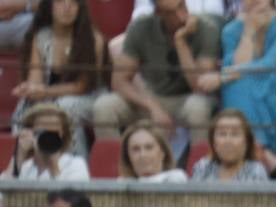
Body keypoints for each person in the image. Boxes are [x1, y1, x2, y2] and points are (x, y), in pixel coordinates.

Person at [92, 0, 220, 144]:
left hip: (186, 99)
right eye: (172, 13)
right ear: (158, 13)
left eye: (182, 6)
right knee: (104, 107)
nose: (181, 16)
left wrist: (181, 42)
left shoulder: (207, 28)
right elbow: (119, 81)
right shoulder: (141, 27)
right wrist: (152, 106)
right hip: (151, 96)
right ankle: (114, 163)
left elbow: (199, 87)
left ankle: (200, 163)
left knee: (198, 107)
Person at [11, 0, 107, 155]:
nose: (67, 7)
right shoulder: (40, 37)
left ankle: (78, 167)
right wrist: (29, 89)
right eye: (60, 2)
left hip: (89, 97)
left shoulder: (94, 39)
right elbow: (35, 80)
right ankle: (21, 165)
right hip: (52, 95)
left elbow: (82, 86)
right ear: (49, 6)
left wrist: (45, 92)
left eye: (73, 3)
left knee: (65, 108)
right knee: (24, 108)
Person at [219, 0, 276, 164]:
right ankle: (260, 152)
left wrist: (223, 77)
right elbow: (234, 70)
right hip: (250, 98)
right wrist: (248, 33)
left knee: (240, 84)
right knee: (238, 86)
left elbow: (270, 67)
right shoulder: (232, 31)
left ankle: (254, 150)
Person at [2, 103, 91, 180]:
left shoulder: (75, 164)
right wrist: (18, 157)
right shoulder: (24, 167)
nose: (47, 138)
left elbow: (72, 198)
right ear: (30, 132)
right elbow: (1, 196)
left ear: (63, 135)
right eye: (42, 132)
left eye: (53, 133)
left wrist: (54, 169)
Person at [190, 108, 271, 181]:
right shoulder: (203, 168)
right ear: (213, 142)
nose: (228, 141)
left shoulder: (256, 172)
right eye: (222, 134)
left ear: (247, 142)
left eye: (235, 134)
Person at [118, 120, 188, 180]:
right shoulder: (121, 184)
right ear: (128, 156)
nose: (143, 155)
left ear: (163, 152)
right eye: (136, 149)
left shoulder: (176, 179)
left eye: (149, 147)